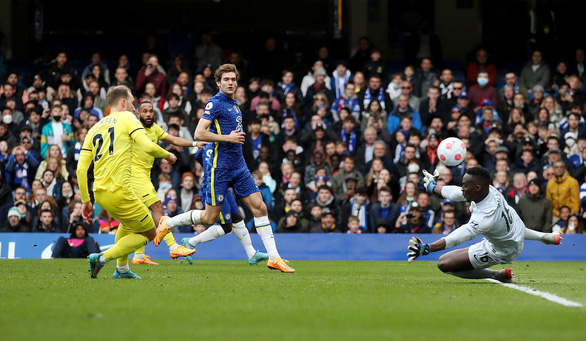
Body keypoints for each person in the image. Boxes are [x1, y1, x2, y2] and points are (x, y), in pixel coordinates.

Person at [157, 64, 294, 273]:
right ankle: (168, 222)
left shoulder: (234, 104)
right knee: (209, 219)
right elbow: (199, 133)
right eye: (226, 79)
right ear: (218, 82)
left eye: (233, 79)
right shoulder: (215, 103)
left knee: (260, 207)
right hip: (220, 170)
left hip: (238, 167)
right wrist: (226, 138)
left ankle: (274, 258)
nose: (230, 82)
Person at [79, 85, 177, 280]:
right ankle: (101, 258)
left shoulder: (94, 128)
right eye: (132, 103)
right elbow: (148, 145)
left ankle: (122, 269)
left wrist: (86, 201)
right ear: (123, 102)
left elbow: (81, 169)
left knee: (127, 225)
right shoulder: (128, 118)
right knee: (150, 232)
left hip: (100, 194)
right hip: (120, 191)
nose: (134, 108)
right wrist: (168, 154)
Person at [407, 166, 562, 283]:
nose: (463, 187)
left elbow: (458, 236)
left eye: (465, 185)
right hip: (514, 228)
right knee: (513, 229)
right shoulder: (489, 190)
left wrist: (428, 248)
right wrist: (434, 188)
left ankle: (496, 275)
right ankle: (543, 237)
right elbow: (457, 193)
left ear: (477, 188)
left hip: (502, 250)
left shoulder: (485, 218)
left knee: (444, 264)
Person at [128, 101, 198, 265]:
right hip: (134, 176)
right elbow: (151, 148)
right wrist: (167, 154)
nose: (148, 114)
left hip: (143, 176)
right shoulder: (134, 128)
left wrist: (195, 143)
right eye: (144, 111)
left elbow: (174, 139)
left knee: (138, 217)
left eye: (150, 111)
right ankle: (173, 247)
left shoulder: (155, 129)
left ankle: (137, 256)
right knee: (158, 207)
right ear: (138, 114)